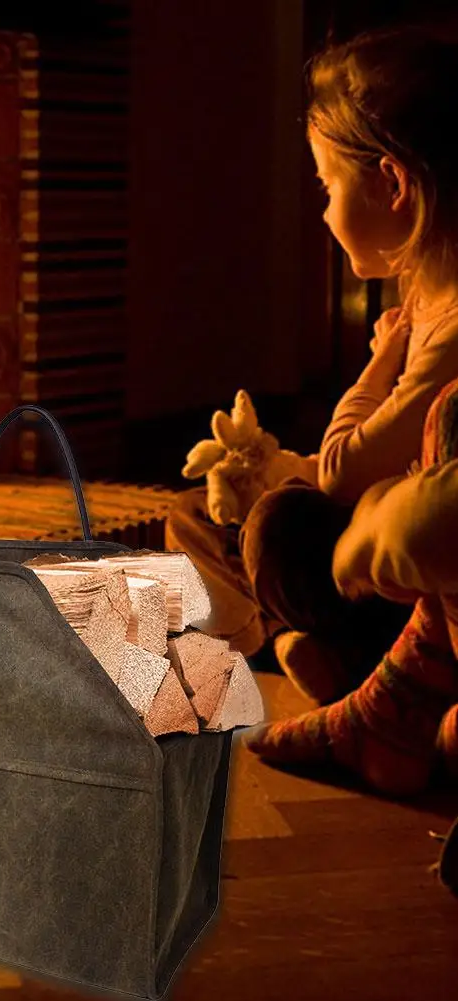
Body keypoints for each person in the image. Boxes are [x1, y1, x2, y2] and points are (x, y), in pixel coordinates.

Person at [166, 22, 458, 706]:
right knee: (195, 515)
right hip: (383, 552)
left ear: (392, 183)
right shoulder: (425, 299)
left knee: (279, 530)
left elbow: (343, 470)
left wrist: (381, 360)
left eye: (327, 186)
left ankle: (352, 667)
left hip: (415, 591)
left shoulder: (447, 327)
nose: (323, 212)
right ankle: (304, 648)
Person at [246, 375, 458, 796]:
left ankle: (373, 690)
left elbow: (346, 469)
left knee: (276, 529)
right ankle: (380, 691)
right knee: (222, 518)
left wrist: (365, 532)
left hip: (387, 547)